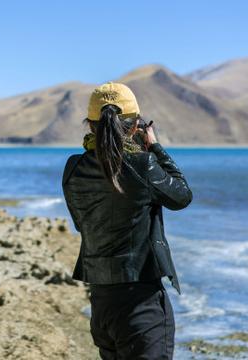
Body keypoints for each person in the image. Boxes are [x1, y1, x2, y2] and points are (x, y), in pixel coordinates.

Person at [62, 82, 193, 359]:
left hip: (101, 303)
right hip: (141, 305)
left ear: (90, 125)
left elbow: (82, 222)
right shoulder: (143, 165)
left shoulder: (73, 167)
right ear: (136, 127)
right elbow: (181, 196)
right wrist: (155, 147)